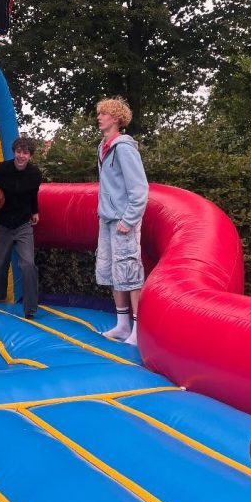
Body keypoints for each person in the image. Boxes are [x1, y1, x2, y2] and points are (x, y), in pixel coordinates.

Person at [94, 97, 148, 346]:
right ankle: (122, 324)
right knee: (113, 272)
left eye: (104, 114)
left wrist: (129, 219)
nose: (99, 117)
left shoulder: (124, 148)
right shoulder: (103, 147)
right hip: (107, 219)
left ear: (116, 119)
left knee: (130, 271)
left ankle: (138, 329)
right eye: (99, 113)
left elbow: (139, 189)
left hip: (123, 221)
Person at [0, 137, 42, 318]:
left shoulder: (35, 174)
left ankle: (30, 308)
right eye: (18, 152)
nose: (21, 156)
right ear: (14, 152)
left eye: (25, 153)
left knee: (28, 265)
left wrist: (35, 211)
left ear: (30, 156)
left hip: (23, 224)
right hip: (1, 223)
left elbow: (33, 195)